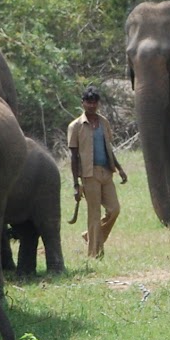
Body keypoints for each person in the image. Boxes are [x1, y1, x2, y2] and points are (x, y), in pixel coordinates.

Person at [67, 86, 128, 259]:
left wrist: (120, 168)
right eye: (88, 102)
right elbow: (73, 156)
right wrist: (75, 184)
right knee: (93, 214)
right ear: (83, 103)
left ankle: (90, 236)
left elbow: (109, 148)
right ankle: (95, 254)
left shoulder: (104, 123)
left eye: (94, 102)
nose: (92, 106)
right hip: (89, 174)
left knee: (114, 209)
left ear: (98, 104)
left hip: (106, 172)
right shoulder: (76, 126)